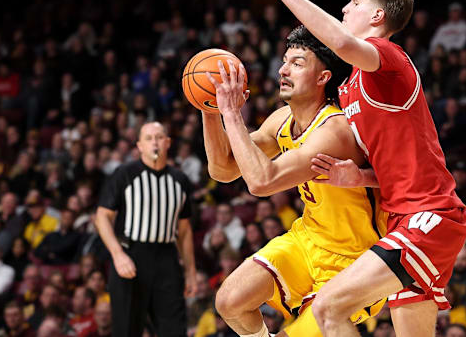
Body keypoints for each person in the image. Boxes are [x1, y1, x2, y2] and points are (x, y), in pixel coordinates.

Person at [267, 0, 466, 336]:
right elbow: (392, 164)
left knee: (328, 310)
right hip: (404, 218)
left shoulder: (389, 61)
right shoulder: (351, 86)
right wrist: (360, 177)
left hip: (427, 216)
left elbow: (341, 42)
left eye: (355, 2)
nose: (344, 7)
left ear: (377, 16)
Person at [204, 26, 385, 337]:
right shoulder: (281, 119)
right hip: (307, 238)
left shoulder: (335, 131)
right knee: (229, 301)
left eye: (298, 63)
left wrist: (233, 115)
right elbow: (223, 169)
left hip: (354, 261)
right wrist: (209, 107)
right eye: (285, 61)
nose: (283, 70)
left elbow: (262, 181)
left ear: (322, 77)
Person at [95, 121, 197, 337]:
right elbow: (102, 217)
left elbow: (185, 231)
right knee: (126, 329)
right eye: (148, 138)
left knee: (175, 329)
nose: (155, 143)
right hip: (131, 255)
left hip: (166, 258)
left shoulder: (180, 180)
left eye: (159, 137)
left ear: (168, 143)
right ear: (139, 145)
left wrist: (190, 271)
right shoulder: (124, 174)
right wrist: (117, 254)